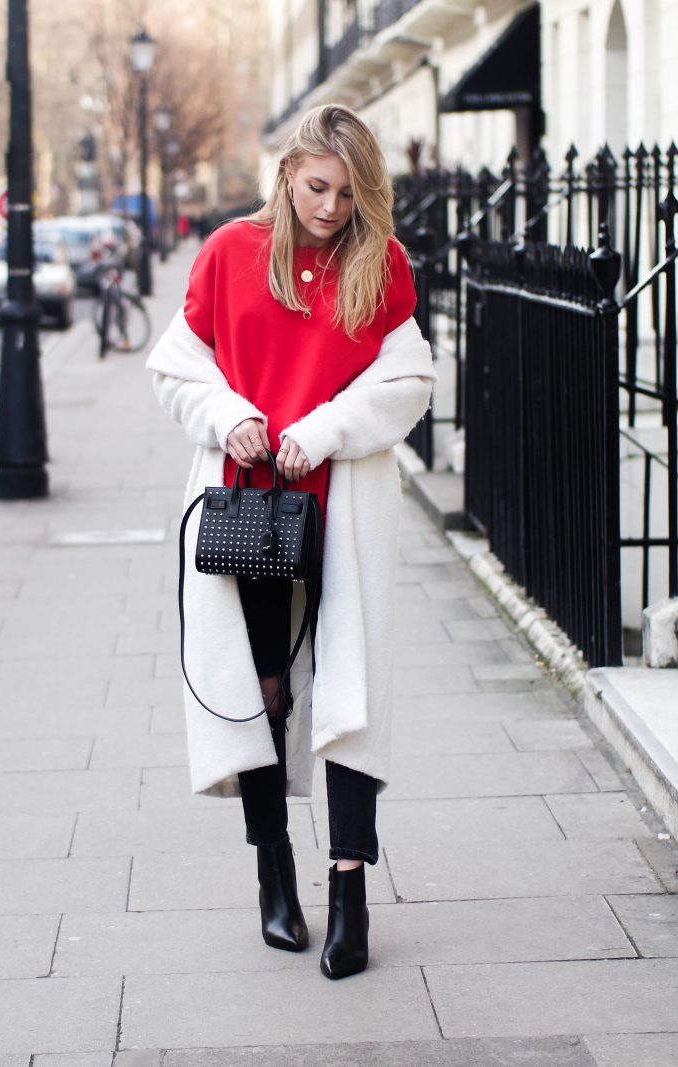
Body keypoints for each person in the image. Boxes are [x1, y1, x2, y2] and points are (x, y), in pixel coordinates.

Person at [146, 104, 435, 980]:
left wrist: (329, 428)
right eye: (317, 187)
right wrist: (230, 414)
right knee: (260, 688)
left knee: (349, 696)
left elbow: (410, 379)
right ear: (286, 174)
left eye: (349, 193)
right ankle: (274, 869)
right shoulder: (231, 252)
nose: (330, 207)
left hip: (342, 502)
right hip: (249, 507)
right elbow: (175, 367)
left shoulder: (378, 263)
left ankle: (350, 892)